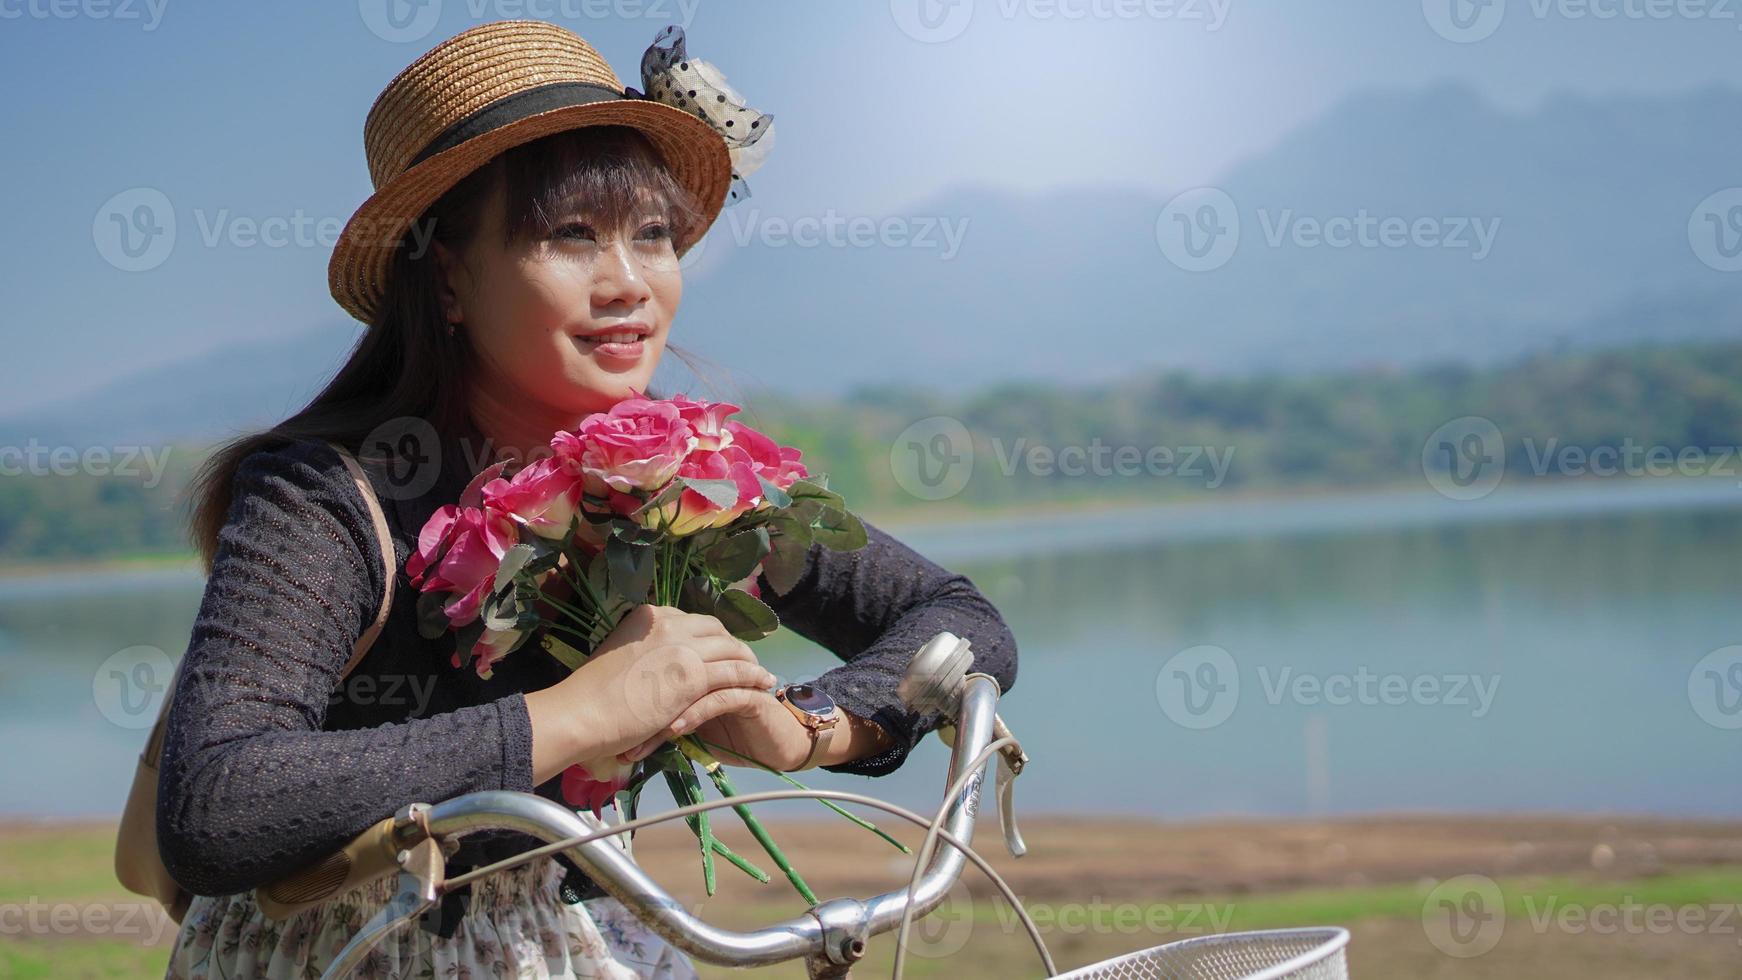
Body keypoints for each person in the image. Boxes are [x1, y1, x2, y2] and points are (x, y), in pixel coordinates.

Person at [156, 19, 1017, 979]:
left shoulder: (683, 477)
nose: (628, 285)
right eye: (569, 237)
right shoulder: (325, 495)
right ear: (449, 275)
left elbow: (960, 619)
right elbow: (217, 802)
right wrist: (577, 714)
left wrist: (808, 727)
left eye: (652, 236)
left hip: (592, 940)